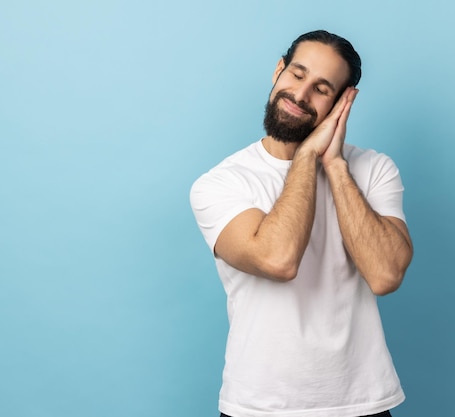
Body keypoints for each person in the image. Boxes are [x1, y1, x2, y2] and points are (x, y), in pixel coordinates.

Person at [190, 29, 413, 417]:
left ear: (343, 102)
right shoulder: (221, 183)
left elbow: (385, 275)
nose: (301, 94)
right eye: (297, 74)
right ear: (279, 70)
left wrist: (335, 164)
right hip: (259, 407)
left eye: (322, 88)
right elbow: (278, 260)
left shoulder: (375, 169)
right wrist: (307, 157)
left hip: (363, 403)